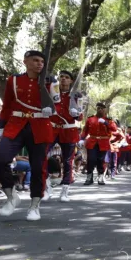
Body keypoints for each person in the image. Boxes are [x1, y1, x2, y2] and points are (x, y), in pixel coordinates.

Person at [0, 49, 55, 221]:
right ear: (25, 62)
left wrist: (51, 108)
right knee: (0, 159)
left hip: (40, 126)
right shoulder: (13, 80)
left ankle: (35, 205)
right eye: (35, 60)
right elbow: (7, 105)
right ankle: (12, 196)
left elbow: (57, 106)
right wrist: (1, 126)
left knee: (37, 168)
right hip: (16, 125)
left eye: (42, 61)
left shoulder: (50, 82)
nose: (39, 64)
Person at [48, 70, 82, 202]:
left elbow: (80, 115)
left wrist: (76, 114)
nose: (63, 79)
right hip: (52, 129)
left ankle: (65, 190)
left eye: (66, 77)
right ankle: (46, 185)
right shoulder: (51, 90)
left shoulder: (76, 96)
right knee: (41, 155)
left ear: (71, 81)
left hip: (68, 130)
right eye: (61, 77)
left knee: (68, 161)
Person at [80, 103, 117, 186]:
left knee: (101, 160)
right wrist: (81, 139)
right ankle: (89, 177)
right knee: (91, 159)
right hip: (92, 142)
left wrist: (106, 123)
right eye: (99, 108)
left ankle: (100, 176)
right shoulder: (90, 119)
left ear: (105, 110)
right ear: (96, 109)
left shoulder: (108, 120)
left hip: (103, 142)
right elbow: (85, 130)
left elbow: (114, 129)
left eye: (102, 108)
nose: (100, 110)